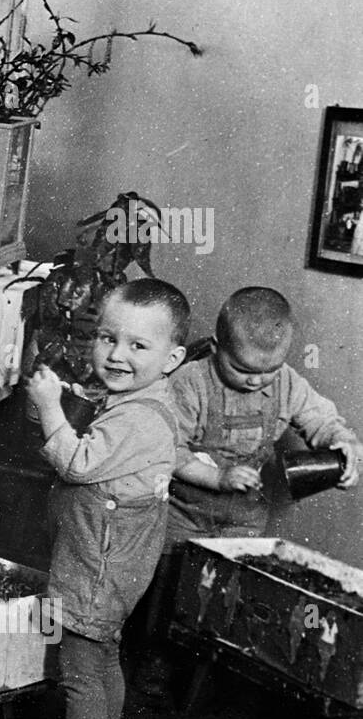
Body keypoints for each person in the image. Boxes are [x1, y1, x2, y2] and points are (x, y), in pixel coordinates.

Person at [10, 279, 189, 719]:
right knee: (105, 651)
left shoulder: (138, 418)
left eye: (138, 346)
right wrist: (74, 397)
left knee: (80, 666)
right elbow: (108, 427)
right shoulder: (144, 398)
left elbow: (77, 460)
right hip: (120, 562)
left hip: (99, 565)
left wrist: (47, 406)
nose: (116, 355)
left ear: (173, 357)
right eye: (108, 338)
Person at [133, 286, 361, 682]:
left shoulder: (287, 383)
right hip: (183, 510)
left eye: (268, 372)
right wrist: (218, 477)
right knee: (168, 584)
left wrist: (343, 442)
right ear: (218, 346)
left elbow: (319, 419)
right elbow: (166, 450)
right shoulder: (190, 383)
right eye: (242, 370)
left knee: (225, 592)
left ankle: (204, 666)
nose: (257, 382)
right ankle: (152, 658)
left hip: (243, 516)